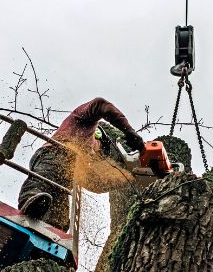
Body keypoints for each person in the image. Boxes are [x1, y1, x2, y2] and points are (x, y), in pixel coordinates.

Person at [18, 97, 145, 230]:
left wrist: (129, 178)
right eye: (99, 149)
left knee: (59, 220)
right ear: (98, 136)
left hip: (65, 179)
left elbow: (95, 184)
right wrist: (128, 130)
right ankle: (30, 202)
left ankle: (50, 234)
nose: (96, 155)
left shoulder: (82, 163)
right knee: (43, 182)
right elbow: (100, 104)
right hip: (54, 153)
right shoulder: (82, 121)